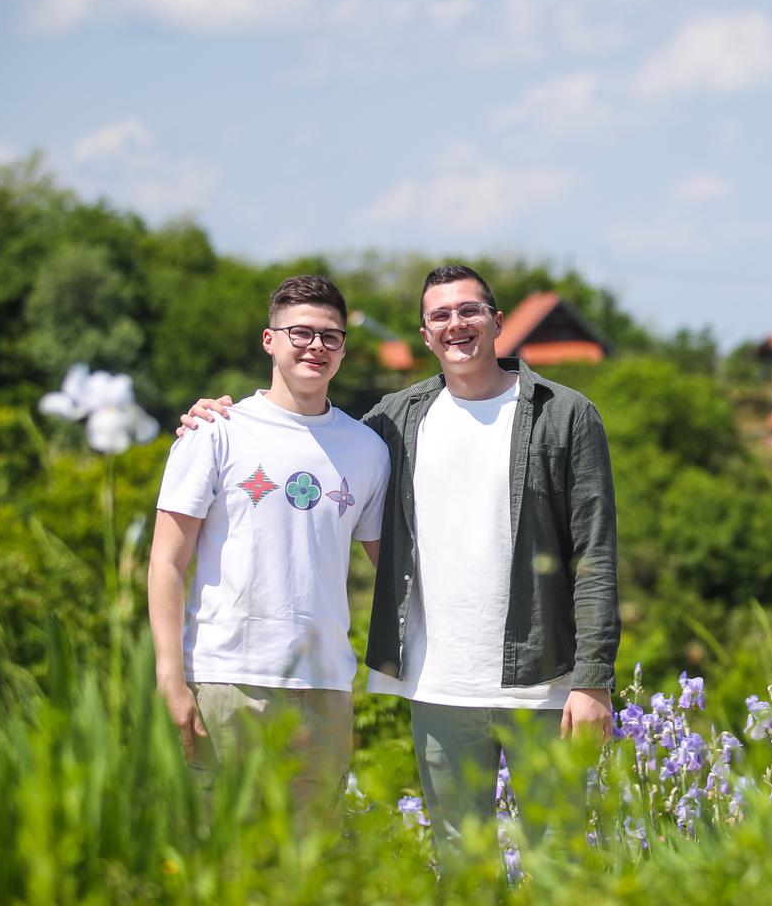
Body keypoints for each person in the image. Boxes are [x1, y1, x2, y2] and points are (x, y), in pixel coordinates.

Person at [180, 263, 619, 853]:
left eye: (469, 310)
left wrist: (593, 680)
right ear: (424, 334)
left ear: (497, 321)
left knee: (559, 858)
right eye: (440, 315)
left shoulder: (564, 414)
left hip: (546, 682)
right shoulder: (393, 421)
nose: (456, 324)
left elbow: (595, 556)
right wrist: (216, 416)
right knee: (460, 863)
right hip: (437, 685)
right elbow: (306, 435)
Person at [148, 274, 390, 818]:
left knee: (312, 857)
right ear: (269, 340)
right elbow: (166, 562)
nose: (316, 347)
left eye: (331, 337)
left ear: (343, 348)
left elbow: (394, 568)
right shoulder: (215, 431)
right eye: (300, 333)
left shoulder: (368, 450)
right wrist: (169, 675)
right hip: (228, 679)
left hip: (326, 686)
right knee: (223, 851)